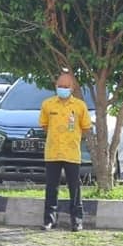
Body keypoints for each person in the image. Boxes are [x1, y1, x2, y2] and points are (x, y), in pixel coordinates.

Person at [39, 72, 92, 232]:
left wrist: (72, 137)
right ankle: (50, 220)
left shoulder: (79, 106)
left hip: (71, 152)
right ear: (55, 86)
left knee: (74, 187)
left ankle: (77, 221)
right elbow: (44, 125)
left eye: (66, 87)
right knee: (51, 187)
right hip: (53, 152)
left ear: (72, 88)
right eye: (60, 86)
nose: (62, 89)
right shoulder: (48, 104)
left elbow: (85, 127)